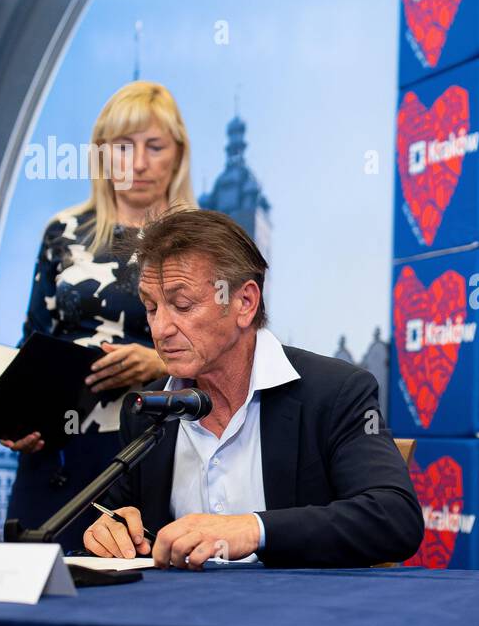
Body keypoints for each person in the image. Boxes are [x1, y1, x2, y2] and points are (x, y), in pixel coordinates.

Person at [82, 209, 423, 569]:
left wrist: (253, 529)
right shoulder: (148, 409)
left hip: (300, 616)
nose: (160, 328)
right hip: (176, 617)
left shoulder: (335, 392)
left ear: (244, 303)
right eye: (150, 308)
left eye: (181, 305)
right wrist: (113, 529)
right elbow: (122, 519)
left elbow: (394, 518)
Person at [2, 82, 196, 536]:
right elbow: (32, 341)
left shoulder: (202, 240)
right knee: (40, 590)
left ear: (178, 154)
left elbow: (235, 355)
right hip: (56, 452)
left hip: (155, 450)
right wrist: (12, 415)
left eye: (154, 146)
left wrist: (158, 361)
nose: (140, 162)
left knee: (149, 596)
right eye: (124, 147)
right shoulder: (62, 232)